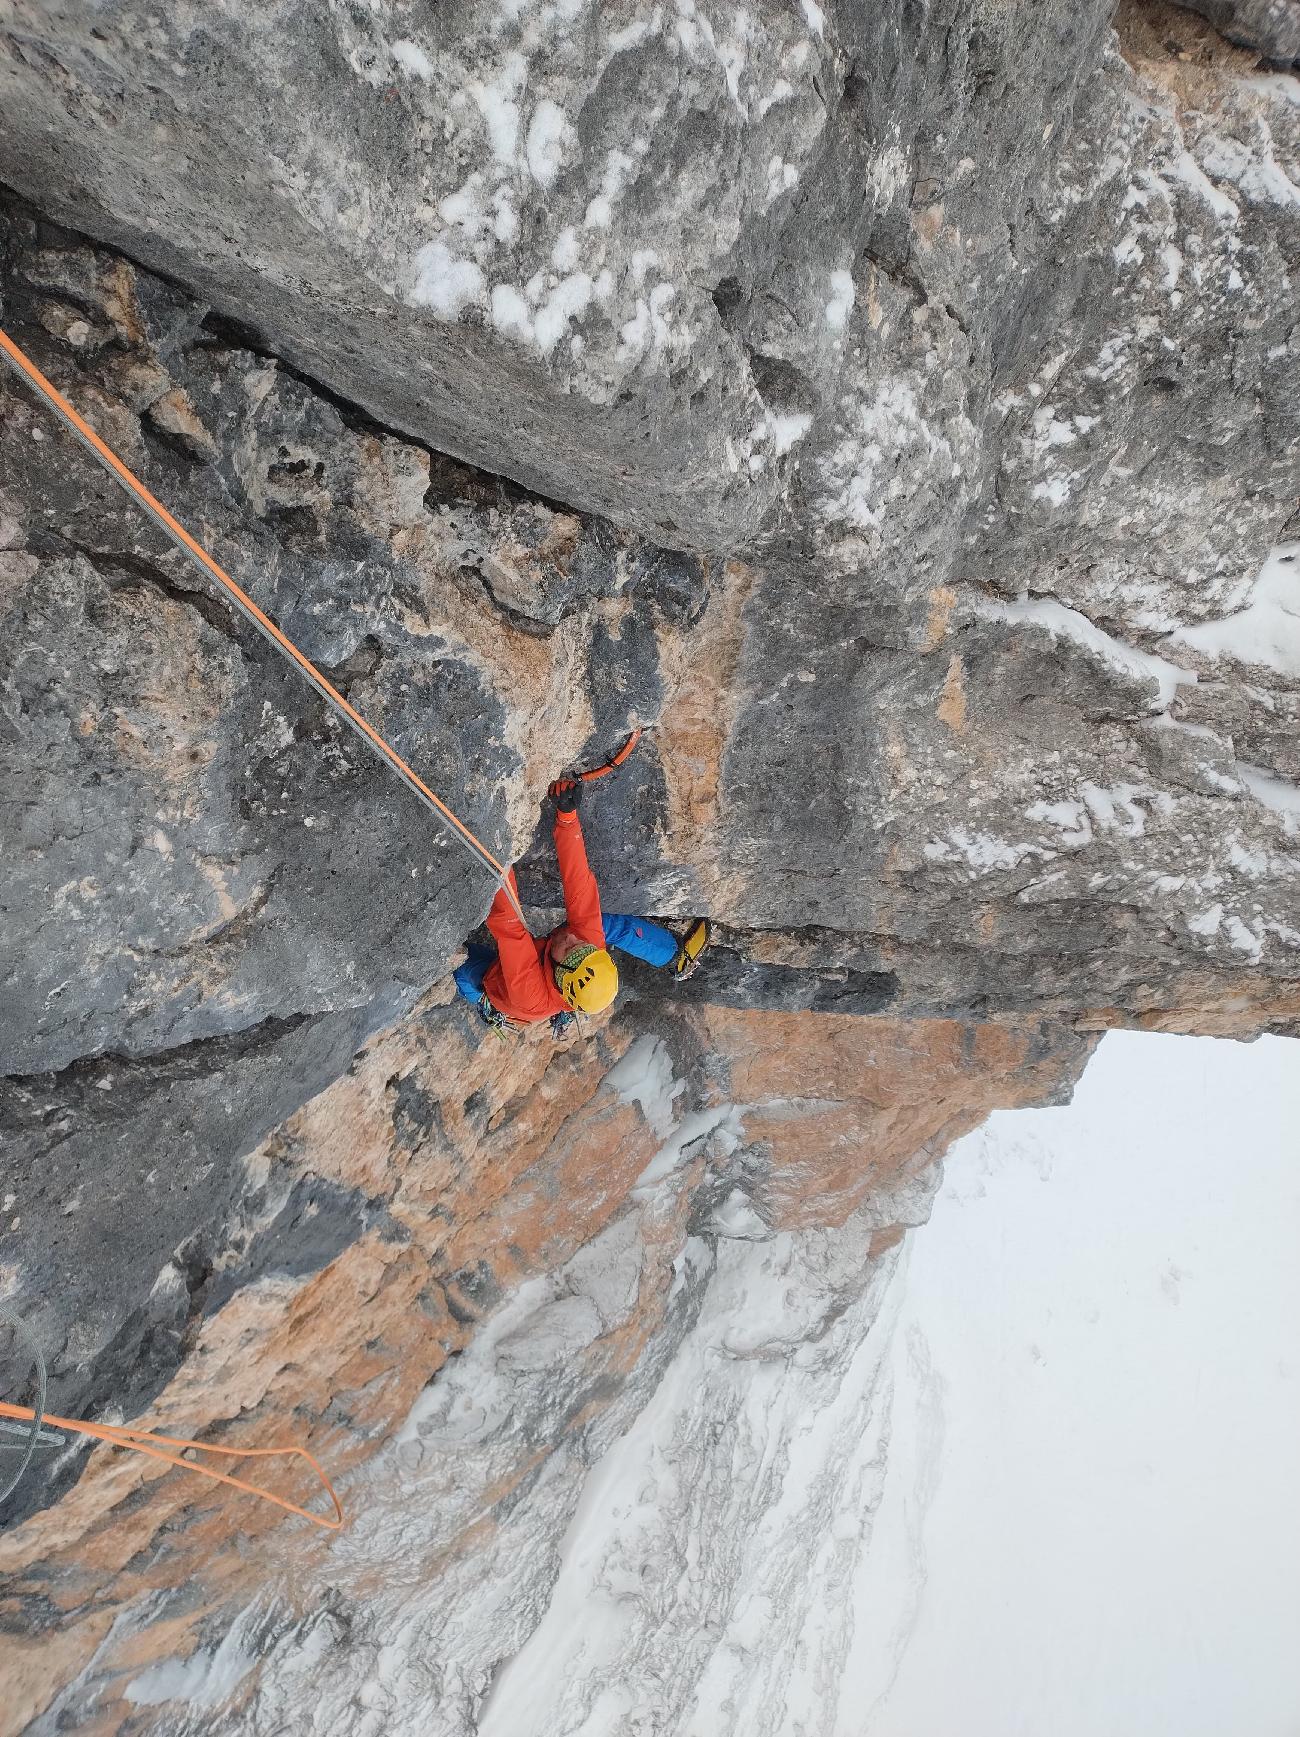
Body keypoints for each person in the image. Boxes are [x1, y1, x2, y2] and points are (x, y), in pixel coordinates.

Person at [454, 778, 708, 1035]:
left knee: (463, 969)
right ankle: (671, 954)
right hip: (545, 968)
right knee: (604, 925)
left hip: (498, 985)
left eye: (571, 951)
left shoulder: (529, 994)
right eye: (583, 947)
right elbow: (579, 885)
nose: (572, 937)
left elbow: (509, 926)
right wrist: (567, 816)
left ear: (562, 977)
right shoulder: (585, 947)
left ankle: (485, 1004)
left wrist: (497, 850)